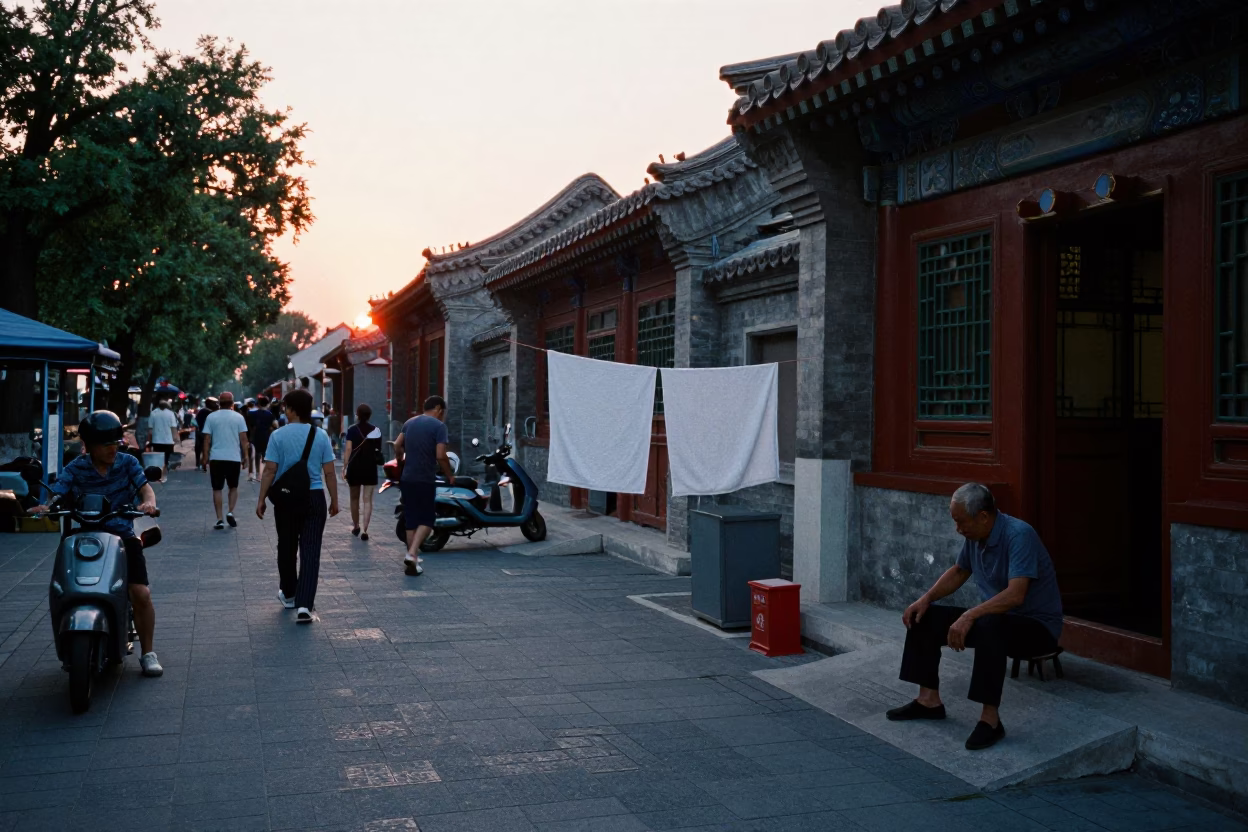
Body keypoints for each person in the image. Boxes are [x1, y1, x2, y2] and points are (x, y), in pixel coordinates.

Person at [886, 483, 1063, 751]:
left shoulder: (1019, 535)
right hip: (999, 620)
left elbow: (1016, 595)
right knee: (925, 616)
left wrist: (970, 615)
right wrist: (925, 599)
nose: (958, 529)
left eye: (961, 521)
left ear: (983, 516)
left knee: (991, 624)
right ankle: (928, 701)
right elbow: (959, 571)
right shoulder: (975, 537)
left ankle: (990, 721)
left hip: (1037, 629)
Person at [31, 411, 163, 677]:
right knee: (63, 586)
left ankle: (148, 653)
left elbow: (145, 488)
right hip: (85, 534)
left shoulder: (127, 463)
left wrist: (149, 502)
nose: (112, 448)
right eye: (106, 444)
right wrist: (47, 506)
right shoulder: (76, 467)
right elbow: (58, 492)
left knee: (141, 593)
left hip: (122, 535)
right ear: (89, 446)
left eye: (116, 442)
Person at [255, 388, 338, 624]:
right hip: (314, 497)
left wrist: (261, 499)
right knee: (311, 551)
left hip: (287, 498)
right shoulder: (320, 435)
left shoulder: (278, 436)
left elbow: (270, 470)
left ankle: (289, 594)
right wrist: (335, 500)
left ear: (291, 409)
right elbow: (330, 472)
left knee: (287, 546)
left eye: (285, 407)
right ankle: (304, 605)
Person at [393, 395, 456, 576]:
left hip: (407, 478)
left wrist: (400, 460)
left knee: (411, 519)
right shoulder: (439, 427)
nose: (442, 416)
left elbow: (397, 444)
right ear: (437, 408)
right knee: (427, 519)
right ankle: (412, 554)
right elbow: (441, 455)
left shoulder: (409, 423)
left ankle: (411, 559)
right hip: (425, 478)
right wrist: (449, 474)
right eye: (442, 412)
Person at [202, 391, 251, 530]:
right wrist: (246, 456)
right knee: (233, 487)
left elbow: (207, 439)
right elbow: (244, 439)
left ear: (219, 402)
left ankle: (219, 519)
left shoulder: (211, 417)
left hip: (216, 458)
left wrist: (205, 457)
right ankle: (230, 511)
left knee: (217, 488)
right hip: (233, 458)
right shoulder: (239, 417)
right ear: (232, 402)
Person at [343, 403, 383, 541]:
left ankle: (356, 525)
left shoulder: (352, 430)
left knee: (354, 498)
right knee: (367, 500)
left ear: (357, 415)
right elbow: (378, 450)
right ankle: (366, 529)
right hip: (370, 468)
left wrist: (344, 466)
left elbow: (348, 449)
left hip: (354, 467)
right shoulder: (376, 431)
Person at [148, 398, 179, 477]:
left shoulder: (153, 413)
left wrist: (149, 440)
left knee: (158, 458)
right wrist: (176, 438)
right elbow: (173, 428)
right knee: (166, 459)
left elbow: (150, 430)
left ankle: (159, 473)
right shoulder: (170, 414)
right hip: (168, 441)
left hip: (156, 441)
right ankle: (163, 473)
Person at [249, 395, 276, 483]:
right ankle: (266, 474)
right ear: (267, 404)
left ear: (259, 404)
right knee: (267, 456)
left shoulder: (253, 414)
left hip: (257, 436)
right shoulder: (270, 415)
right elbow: (275, 426)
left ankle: (257, 474)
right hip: (267, 436)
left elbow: (251, 427)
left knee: (257, 455)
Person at [195, 397, 218, 471]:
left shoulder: (202, 411)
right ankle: (204, 462)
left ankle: (200, 463)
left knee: (199, 448)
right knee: (207, 447)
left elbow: (196, 421)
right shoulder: (210, 412)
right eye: (214, 403)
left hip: (200, 432)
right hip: (207, 433)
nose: (216, 404)